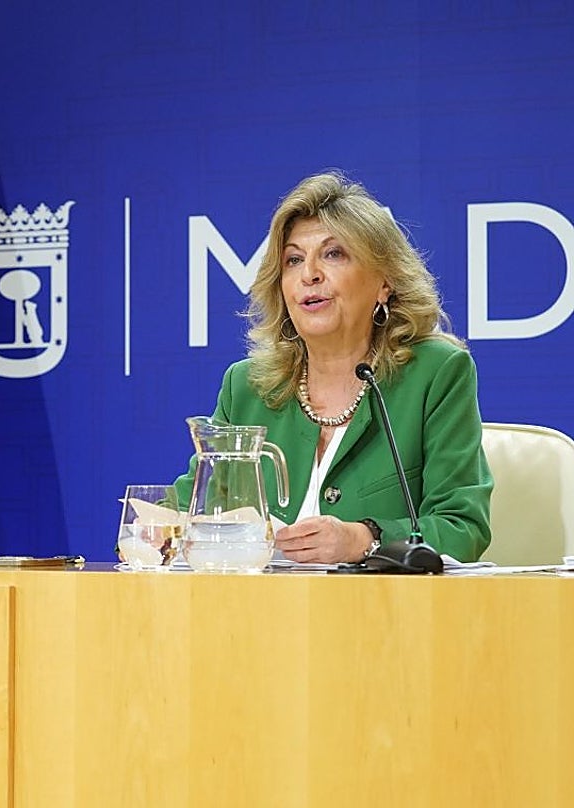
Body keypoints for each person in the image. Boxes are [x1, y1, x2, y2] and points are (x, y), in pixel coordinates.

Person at [174, 171, 492, 564]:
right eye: (294, 260)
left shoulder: (434, 373)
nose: (309, 274)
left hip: (381, 602)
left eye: (333, 254)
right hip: (258, 601)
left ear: (384, 283)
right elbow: (189, 510)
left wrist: (364, 539)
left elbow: (463, 527)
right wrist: (153, 529)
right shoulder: (247, 386)